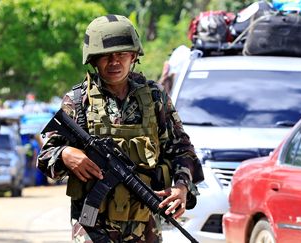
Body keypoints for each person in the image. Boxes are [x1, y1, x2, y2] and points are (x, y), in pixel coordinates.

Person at [37, 14, 203, 242]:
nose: (114, 61)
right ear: (94, 59)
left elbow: (182, 150)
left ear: (133, 55)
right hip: (92, 227)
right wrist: (65, 154)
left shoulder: (155, 98)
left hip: (144, 224)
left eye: (121, 54)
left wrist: (182, 187)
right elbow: (45, 157)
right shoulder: (77, 101)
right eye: (106, 56)